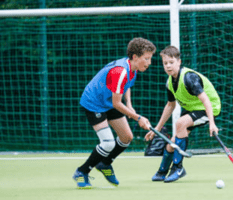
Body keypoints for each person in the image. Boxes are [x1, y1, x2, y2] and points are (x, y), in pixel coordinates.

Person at [73, 37, 156, 188]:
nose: (149, 62)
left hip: (109, 99)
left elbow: (126, 86)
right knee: (108, 143)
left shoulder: (133, 68)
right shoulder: (120, 71)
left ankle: (105, 164)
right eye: (147, 58)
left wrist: (129, 105)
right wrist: (138, 118)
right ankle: (82, 171)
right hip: (95, 103)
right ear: (135, 57)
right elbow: (116, 103)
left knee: (126, 137)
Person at [145, 46, 221, 183]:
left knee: (180, 123)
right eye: (165, 63)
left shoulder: (189, 78)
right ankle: (162, 171)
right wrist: (157, 128)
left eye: (171, 62)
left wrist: (212, 123)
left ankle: (178, 168)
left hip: (209, 108)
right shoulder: (169, 82)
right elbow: (170, 105)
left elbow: (206, 100)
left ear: (179, 62)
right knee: (171, 143)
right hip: (192, 109)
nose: (168, 66)